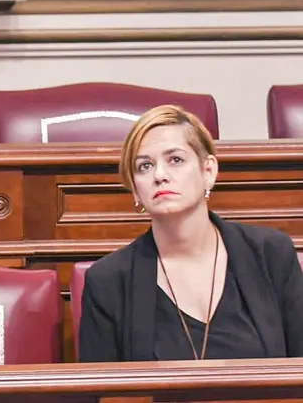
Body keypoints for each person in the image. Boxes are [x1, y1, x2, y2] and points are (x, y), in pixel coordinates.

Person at [78, 104, 303, 362]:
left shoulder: (271, 254)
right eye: (144, 166)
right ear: (135, 189)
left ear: (208, 171)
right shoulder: (108, 282)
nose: (160, 175)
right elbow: (103, 394)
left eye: (175, 160)